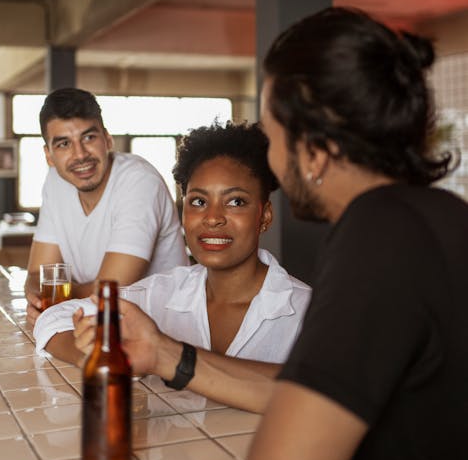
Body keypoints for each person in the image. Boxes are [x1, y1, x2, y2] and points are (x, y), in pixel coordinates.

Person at [116, 8, 468, 460]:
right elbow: (323, 389)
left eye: (274, 133)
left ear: (316, 149)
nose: (273, 157)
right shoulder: (436, 215)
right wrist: (168, 355)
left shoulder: (377, 238)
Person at [33, 121, 312, 369]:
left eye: (236, 201)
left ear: (264, 216)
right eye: (199, 202)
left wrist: (164, 356)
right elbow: (54, 318)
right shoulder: (159, 294)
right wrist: (101, 358)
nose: (213, 218)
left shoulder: (306, 312)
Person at [25, 87, 188, 325]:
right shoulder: (55, 182)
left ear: (107, 139)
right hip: (96, 323)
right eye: (63, 144)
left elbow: (110, 289)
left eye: (89, 137)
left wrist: (56, 296)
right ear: (49, 155)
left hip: (165, 330)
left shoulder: (139, 181)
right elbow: (36, 273)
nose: (80, 155)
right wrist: (37, 299)